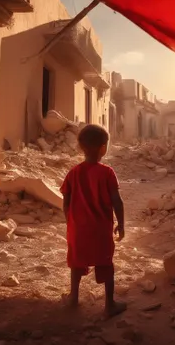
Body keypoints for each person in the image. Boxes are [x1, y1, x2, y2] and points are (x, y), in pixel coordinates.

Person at [60, 124, 126, 318]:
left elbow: (66, 202)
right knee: (105, 263)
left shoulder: (73, 173)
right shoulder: (107, 173)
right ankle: (109, 305)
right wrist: (121, 224)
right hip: (100, 230)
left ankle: (73, 298)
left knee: (76, 262)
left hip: (78, 230)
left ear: (81, 147)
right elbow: (117, 201)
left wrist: (70, 222)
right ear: (103, 148)